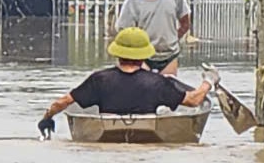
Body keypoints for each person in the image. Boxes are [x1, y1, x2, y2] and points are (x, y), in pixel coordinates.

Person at [37, 28, 218, 136]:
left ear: (117, 53)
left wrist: (47, 118)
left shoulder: (99, 80)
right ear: (143, 56)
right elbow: (194, 100)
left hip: (105, 136)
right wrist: (209, 81)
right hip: (147, 135)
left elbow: (63, 102)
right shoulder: (158, 83)